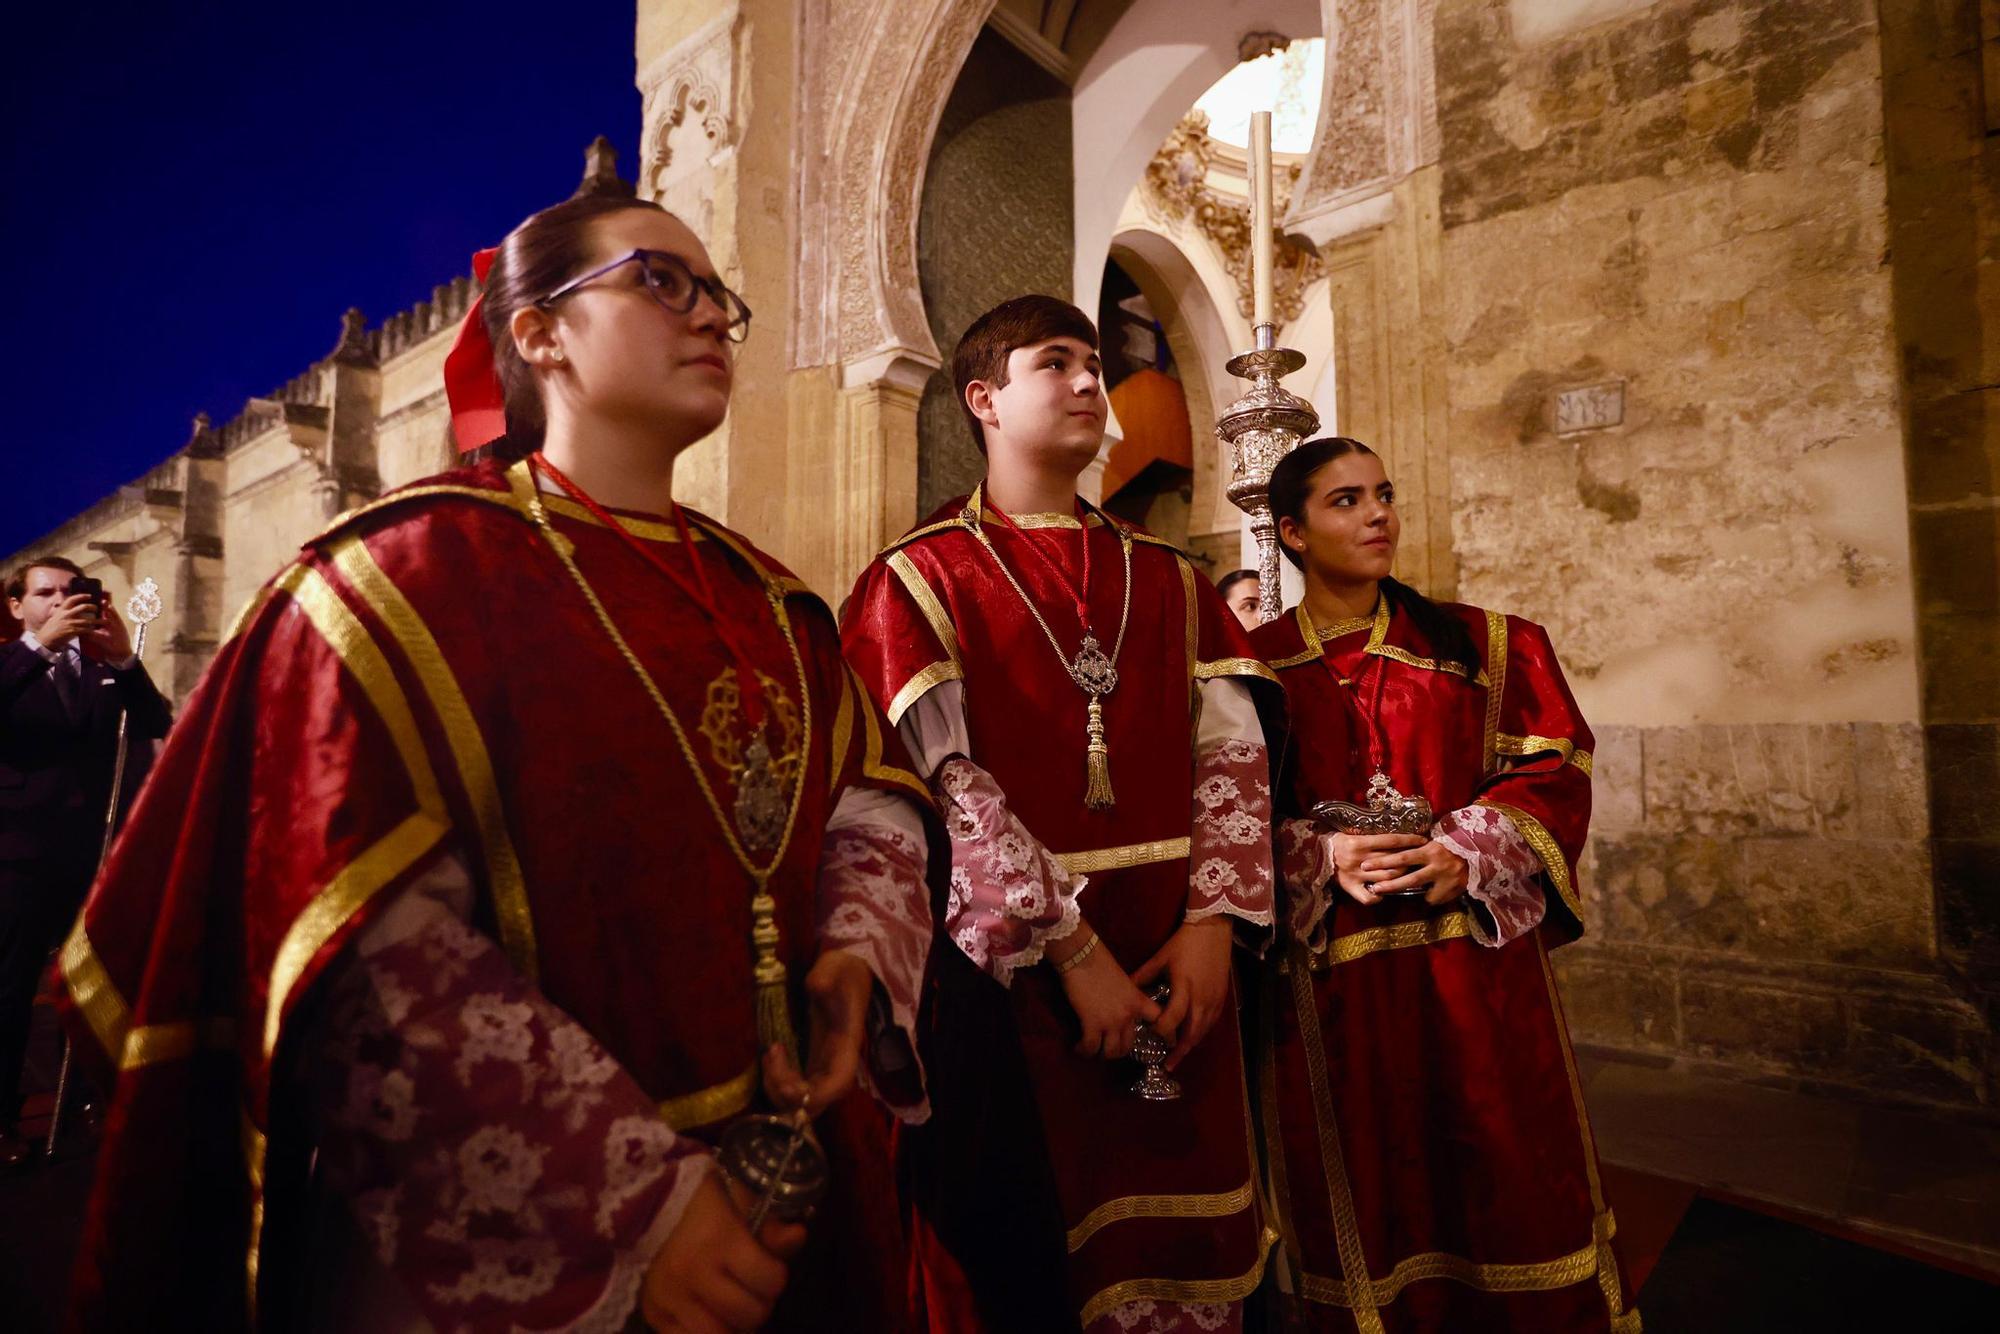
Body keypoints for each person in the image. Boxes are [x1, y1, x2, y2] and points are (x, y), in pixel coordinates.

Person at [60, 192, 938, 1332]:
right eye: (661, 281)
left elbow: (872, 793)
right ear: (536, 332)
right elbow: (357, 950)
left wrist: (859, 954)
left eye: (721, 294)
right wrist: (644, 1205)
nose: (713, 316)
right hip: (530, 1258)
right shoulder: (398, 582)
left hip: (788, 1212)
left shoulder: (772, 600)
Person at [842, 295, 1280, 1333]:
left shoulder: (1169, 576)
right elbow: (946, 785)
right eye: (1057, 363)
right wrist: (1072, 949)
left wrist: (1215, 923)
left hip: (1183, 959)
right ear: (984, 398)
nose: (1090, 381)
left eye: (1094, 361)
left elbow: (1232, 753)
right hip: (1019, 985)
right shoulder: (917, 578)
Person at [1248, 437, 1639, 1332]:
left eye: (1383, 493)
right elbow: (1213, 814)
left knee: (1499, 1165)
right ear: (1291, 533)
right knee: (1365, 1180)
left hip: (1473, 973)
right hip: (1329, 982)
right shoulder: (1251, 668)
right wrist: (1318, 854)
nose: (1377, 513)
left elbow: (1554, 768)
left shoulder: (1488, 645)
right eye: (1345, 500)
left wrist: (1469, 847)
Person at [0, 558, 171, 1168]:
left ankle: (90, 1099)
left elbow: (155, 723)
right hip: (17, 859)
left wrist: (125, 659)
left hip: (91, 856)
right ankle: (3, 1121)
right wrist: (40, 650)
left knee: (101, 981)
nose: (59, 602)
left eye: (71, 591)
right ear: (17, 606)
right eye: (43, 593)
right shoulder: (10, 664)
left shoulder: (101, 671)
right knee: (11, 990)